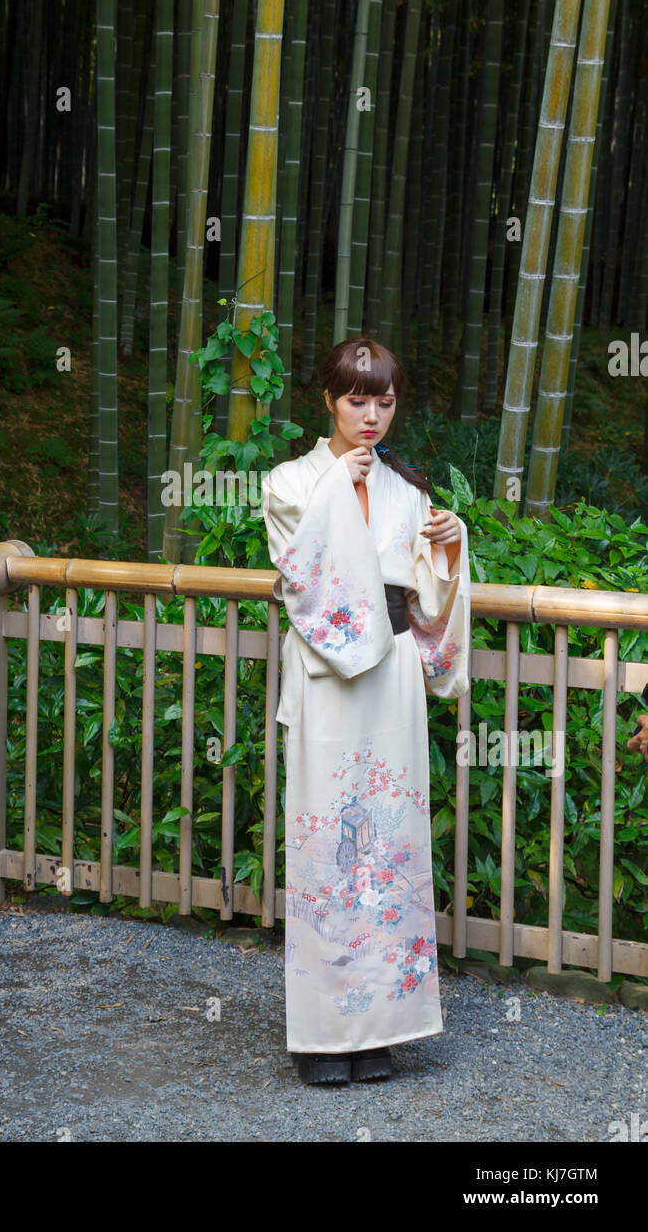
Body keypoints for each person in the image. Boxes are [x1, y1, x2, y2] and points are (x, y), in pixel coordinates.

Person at [261, 337, 470, 1085]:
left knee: (388, 842)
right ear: (328, 400)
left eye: (384, 399)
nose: (371, 414)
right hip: (326, 672)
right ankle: (322, 1038)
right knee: (327, 848)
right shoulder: (292, 481)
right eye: (357, 398)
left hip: (391, 674)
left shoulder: (407, 492)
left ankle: (382, 1028)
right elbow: (300, 575)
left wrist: (449, 546)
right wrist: (332, 495)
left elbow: (425, 597)